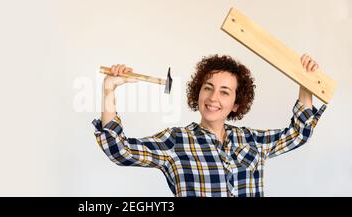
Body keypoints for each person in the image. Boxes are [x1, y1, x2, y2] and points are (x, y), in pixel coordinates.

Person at [91, 54, 327, 197]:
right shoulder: (175, 142)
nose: (213, 98)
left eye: (225, 92)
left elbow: (298, 133)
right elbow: (118, 150)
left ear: (236, 104)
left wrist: (306, 83)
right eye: (208, 88)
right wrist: (109, 89)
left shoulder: (252, 141)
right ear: (198, 92)